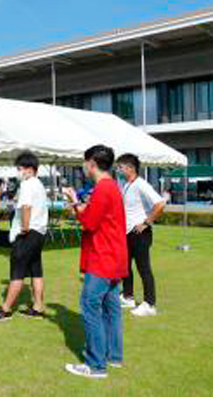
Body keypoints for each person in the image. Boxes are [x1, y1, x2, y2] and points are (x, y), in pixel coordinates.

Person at [62, 145, 128, 379]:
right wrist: (80, 205)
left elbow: (89, 222)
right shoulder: (112, 187)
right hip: (114, 256)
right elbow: (97, 218)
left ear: (91, 163)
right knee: (111, 309)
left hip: (103, 257)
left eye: (84, 163)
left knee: (90, 307)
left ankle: (96, 364)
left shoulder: (103, 188)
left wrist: (74, 202)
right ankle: (113, 355)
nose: (83, 167)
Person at [0, 151, 49, 321]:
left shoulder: (28, 184)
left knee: (17, 272)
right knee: (36, 271)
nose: (18, 172)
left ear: (29, 169)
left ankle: (5, 309)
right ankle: (38, 306)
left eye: (19, 168)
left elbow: (26, 207)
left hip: (28, 233)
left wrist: (25, 228)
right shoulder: (39, 184)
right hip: (40, 232)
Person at [116, 153, 166, 317]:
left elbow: (159, 204)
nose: (119, 170)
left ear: (130, 168)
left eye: (121, 167)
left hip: (140, 233)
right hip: (128, 232)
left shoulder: (141, 184)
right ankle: (128, 296)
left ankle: (150, 304)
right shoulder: (127, 184)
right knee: (125, 266)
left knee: (143, 268)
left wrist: (146, 222)